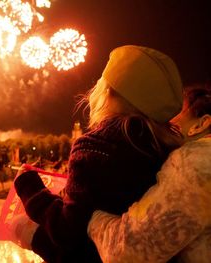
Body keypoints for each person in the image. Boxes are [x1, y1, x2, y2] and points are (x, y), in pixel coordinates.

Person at [11, 45, 184, 263]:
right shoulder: (164, 145)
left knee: (19, 225)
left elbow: (67, 231)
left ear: (108, 91)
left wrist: (30, 188)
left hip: (94, 256)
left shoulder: (95, 147)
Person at [87, 84, 211, 263]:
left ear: (201, 124)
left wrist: (91, 214)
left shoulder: (196, 162)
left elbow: (127, 251)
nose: (163, 121)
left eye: (174, 113)